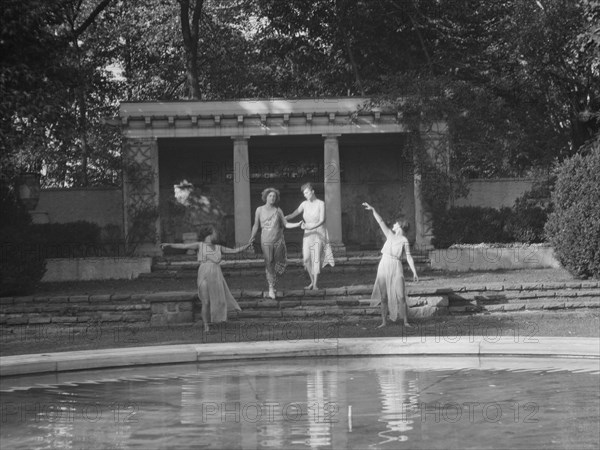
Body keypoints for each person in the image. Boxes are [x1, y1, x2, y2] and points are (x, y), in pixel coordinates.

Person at [160, 226, 251, 333]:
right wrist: (169, 244)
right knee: (206, 301)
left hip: (216, 274)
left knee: (218, 300)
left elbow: (235, 251)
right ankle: (206, 326)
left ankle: (217, 320)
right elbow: (183, 246)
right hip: (204, 272)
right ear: (208, 234)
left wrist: (247, 245)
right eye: (214, 232)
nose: (216, 234)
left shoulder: (218, 247)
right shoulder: (200, 245)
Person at [362, 202, 418, 328]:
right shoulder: (389, 234)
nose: (393, 224)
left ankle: (405, 321)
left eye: (396, 223)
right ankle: (383, 322)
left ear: (400, 226)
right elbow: (380, 222)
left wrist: (414, 271)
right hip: (384, 264)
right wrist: (373, 209)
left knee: (401, 296)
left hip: (396, 265)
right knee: (383, 296)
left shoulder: (404, 240)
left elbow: (408, 256)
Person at [249, 187, 302, 299]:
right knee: (269, 263)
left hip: (278, 241)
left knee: (280, 265)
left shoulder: (278, 211)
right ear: (266, 197)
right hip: (266, 241)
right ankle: (271, 287)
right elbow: (256, 225)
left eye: (274, 196)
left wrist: (298, 224)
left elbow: (286, 224)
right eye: (270, 196)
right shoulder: (259, 210)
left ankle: (273, 281)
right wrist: (252, 237)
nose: (272, 198)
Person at [285, 182, 335, 290]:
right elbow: (293, 214)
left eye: (307, 193)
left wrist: (311, 227)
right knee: (307, 259)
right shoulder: (304, 204)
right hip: (307, 233)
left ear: (312, 192)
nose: (305, 195)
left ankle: (315, 284)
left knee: (315, 258)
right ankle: (312, 282)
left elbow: (322, 220)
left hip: (318, 232)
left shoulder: (321, 203)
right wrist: (282, 218)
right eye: (304, 193)